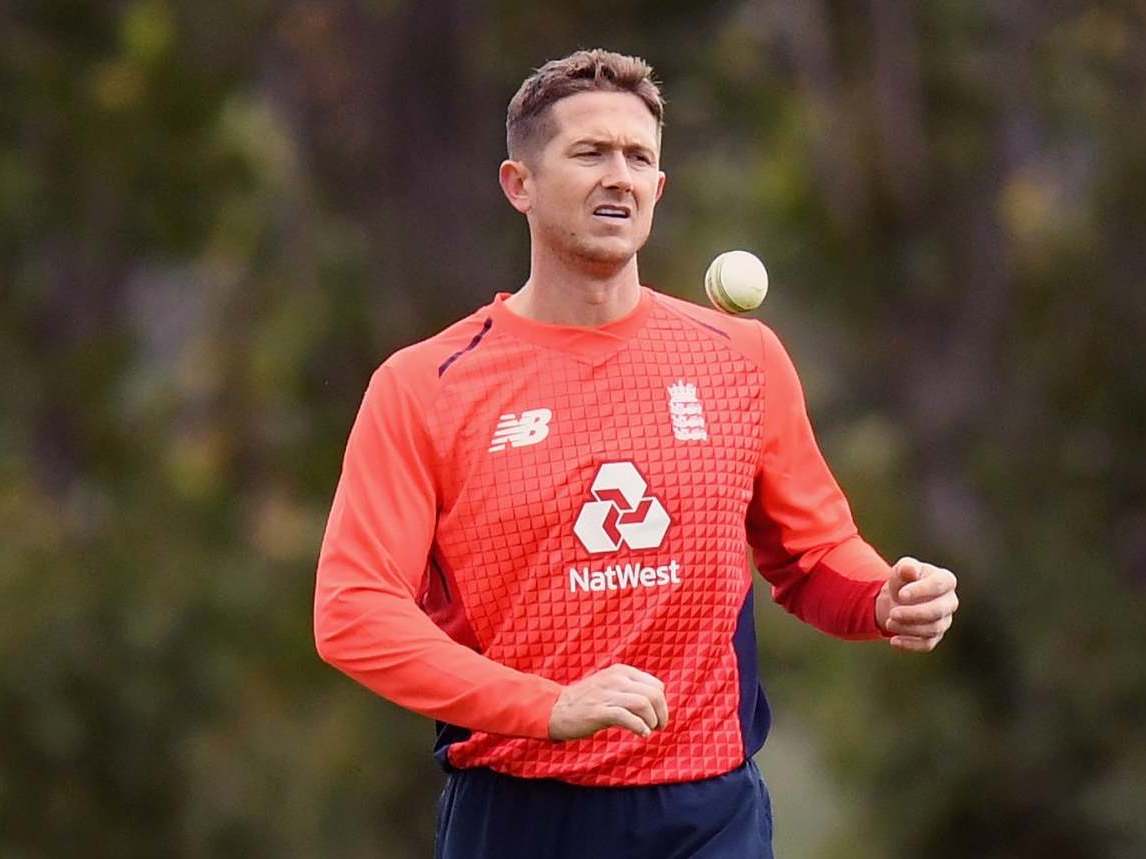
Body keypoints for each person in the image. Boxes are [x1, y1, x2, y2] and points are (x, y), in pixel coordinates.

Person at [313, 48, 959, 858]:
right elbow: (354, 614)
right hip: (518, 813)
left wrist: (881, 599)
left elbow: (813, 555)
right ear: (519, 184)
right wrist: (546, 705)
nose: (618, 175)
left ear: (658, 188)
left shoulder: (742, 357)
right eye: (589, 153)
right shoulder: (426, 384)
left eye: (639, 157)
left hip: (708, 812)